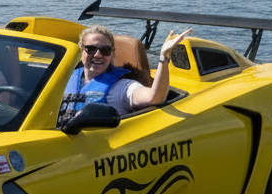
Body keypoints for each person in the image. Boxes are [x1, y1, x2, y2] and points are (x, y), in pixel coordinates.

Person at [58, 23, 191, 125]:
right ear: (81, 51)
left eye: (105, 50)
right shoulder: (63, 79)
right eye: (91, 49)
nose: (98, 55)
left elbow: (154, 97)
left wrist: (164, 58)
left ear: (112, 54)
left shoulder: (122, 87)